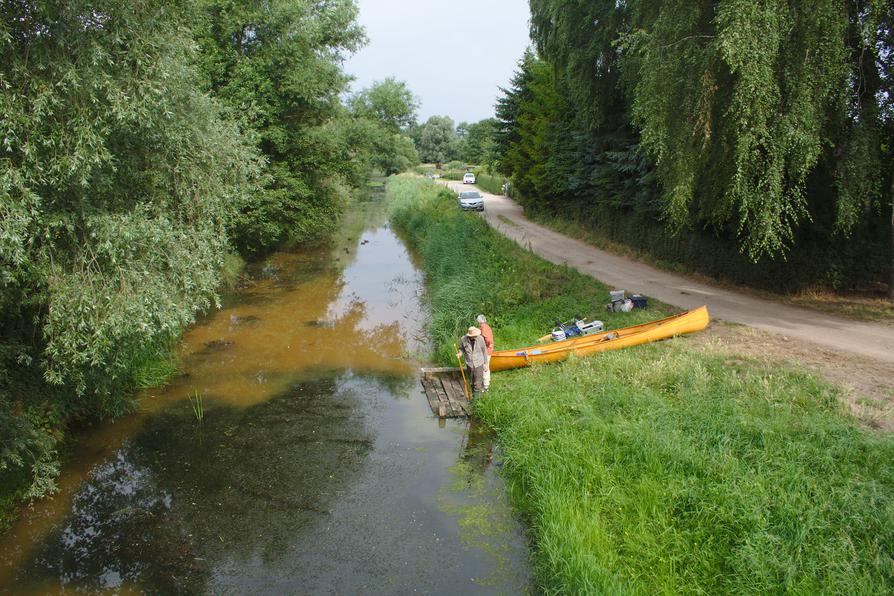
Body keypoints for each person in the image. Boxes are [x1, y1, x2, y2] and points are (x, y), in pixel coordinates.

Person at [457, 326, 488, 398]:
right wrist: (460, 353)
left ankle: (477, 400)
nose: (475, 337)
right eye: (473, 336)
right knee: (471, 381)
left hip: (479, 363)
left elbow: (484, 351)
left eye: (475, 335)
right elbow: (461, 349)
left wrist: (486, 363)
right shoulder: (463, 339)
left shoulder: (480, 339)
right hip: (469, 363)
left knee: (478, 382)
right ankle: (473, 395)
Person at [476, 314, 494, 391]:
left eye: (478, 322)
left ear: (479, 322)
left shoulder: (483, 328)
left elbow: (488, 340)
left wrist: (486, 345)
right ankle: (485, 384)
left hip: (486, 351)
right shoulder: (487, 326)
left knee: (485, 367)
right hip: (487, 350)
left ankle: (485, 386)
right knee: (485, 367)